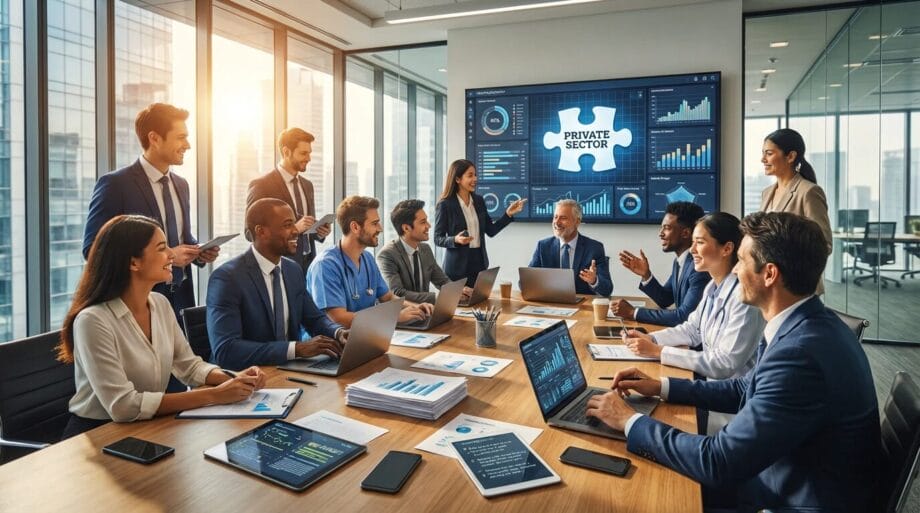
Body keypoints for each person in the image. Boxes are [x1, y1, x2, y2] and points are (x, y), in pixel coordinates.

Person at [585, 212, 880, 512]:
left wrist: (630, 421)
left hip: (786, 498)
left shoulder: (799, 355)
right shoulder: (808, 324)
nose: (735, 270)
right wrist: (659, 386)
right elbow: (744, 389)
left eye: (741, 261)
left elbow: (718, 461)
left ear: (769, 274)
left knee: (644, 493)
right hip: (783, 475)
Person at [59, 215, 266, 439]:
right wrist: (215, 395)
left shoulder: (159, 303)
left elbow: (190, 366)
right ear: (133, 262)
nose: (171, 254)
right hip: (99, 433)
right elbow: (123, 405)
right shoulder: (93, 320)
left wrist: (234, 379)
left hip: (146, 427)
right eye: (161, 248)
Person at [622, 212, 765, 433]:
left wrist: (660, 351)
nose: (692, 250)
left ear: (726, 249)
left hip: (730, 411)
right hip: (710, 392)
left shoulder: (743, 297)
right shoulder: (713, 287)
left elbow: (724, 364)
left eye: (699, 242)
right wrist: (650, 338)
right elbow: (691, 329)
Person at [83, 103, 219, 319]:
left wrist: (199, 253)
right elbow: (93, 250)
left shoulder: (181, 185)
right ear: (154, 138)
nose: (188, 145)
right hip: (135, 304)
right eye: (181, 137)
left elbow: (181, 236)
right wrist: (169, 255)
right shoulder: (115, 185)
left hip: (181, 299)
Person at [206, 199, 347, 370]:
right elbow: (226, 350)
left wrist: (338, 332)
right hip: (246, 378)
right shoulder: (227, 278)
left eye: (294, 224)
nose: (296, 231)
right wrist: (296, 349)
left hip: (287, 371)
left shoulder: (292, 270)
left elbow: (314, 318)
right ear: (261, 231)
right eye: (288, 225)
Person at [306, 195, 431, 329]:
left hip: (365, 335)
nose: (380, 229)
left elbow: (387, 298)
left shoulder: (367, 258)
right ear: (355, 227)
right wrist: (394, 317)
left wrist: (417, 307)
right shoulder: (325, 265)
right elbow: (338, 318)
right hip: (333, 344)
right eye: (374, 223)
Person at [247, 128, 331, 273]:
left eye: (309, 153)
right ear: (286, 152)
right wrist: (294, 229)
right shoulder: (262, 185)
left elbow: (306, 228)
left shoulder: (307, 185)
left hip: (309, 266)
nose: (309, 158)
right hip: (280, 266)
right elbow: (250, 233)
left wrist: (319, 232)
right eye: (304, 153)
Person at [613, 201, 710, 327]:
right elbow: (665, 299)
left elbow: (683, 316)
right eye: (662, 227)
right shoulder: (680, 261)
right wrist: (646, 275)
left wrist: (633, 312)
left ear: (685, 233)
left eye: (667, 228)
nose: (661, 233)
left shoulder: (698, 268)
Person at [759, 127, 832, 294]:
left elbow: (824, 244)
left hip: (797, 285)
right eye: (763, 153)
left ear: (790, 156)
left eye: (769, 153)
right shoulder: (767, 193)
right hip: (771, 282)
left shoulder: (809, 191)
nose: (763, 159)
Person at [434, 159, 526, 285]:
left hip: (479, 262)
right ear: (457, 179)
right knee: (459, 303)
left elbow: (491, 231)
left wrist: (508, 214)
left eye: (475, 175)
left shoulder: (478, 201)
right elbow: (437, 238)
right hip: (456, 267)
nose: (475, 179)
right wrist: (455, 239)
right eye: (470, 175)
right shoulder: (445, 205)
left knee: (480, 301)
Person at [377, 199, 473, 304]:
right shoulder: (387, 255)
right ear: (406, 228)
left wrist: (458, 290)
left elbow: (442, 281)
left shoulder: (425, 249)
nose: (429, 226)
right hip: (405, 316)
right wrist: (438, 297)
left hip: (427, 313)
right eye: (423, 222)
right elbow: (397, 293)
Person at [527, 199, 613, 297]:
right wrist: (536, 281)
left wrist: (594, 281)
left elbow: (607, 290)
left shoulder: (594, 248)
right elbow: (524, 283)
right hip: (550, 303)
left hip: (582, 308)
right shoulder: (543, 246)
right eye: (555, 217)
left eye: (563, 218)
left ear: (577, 222)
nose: (557, 222)